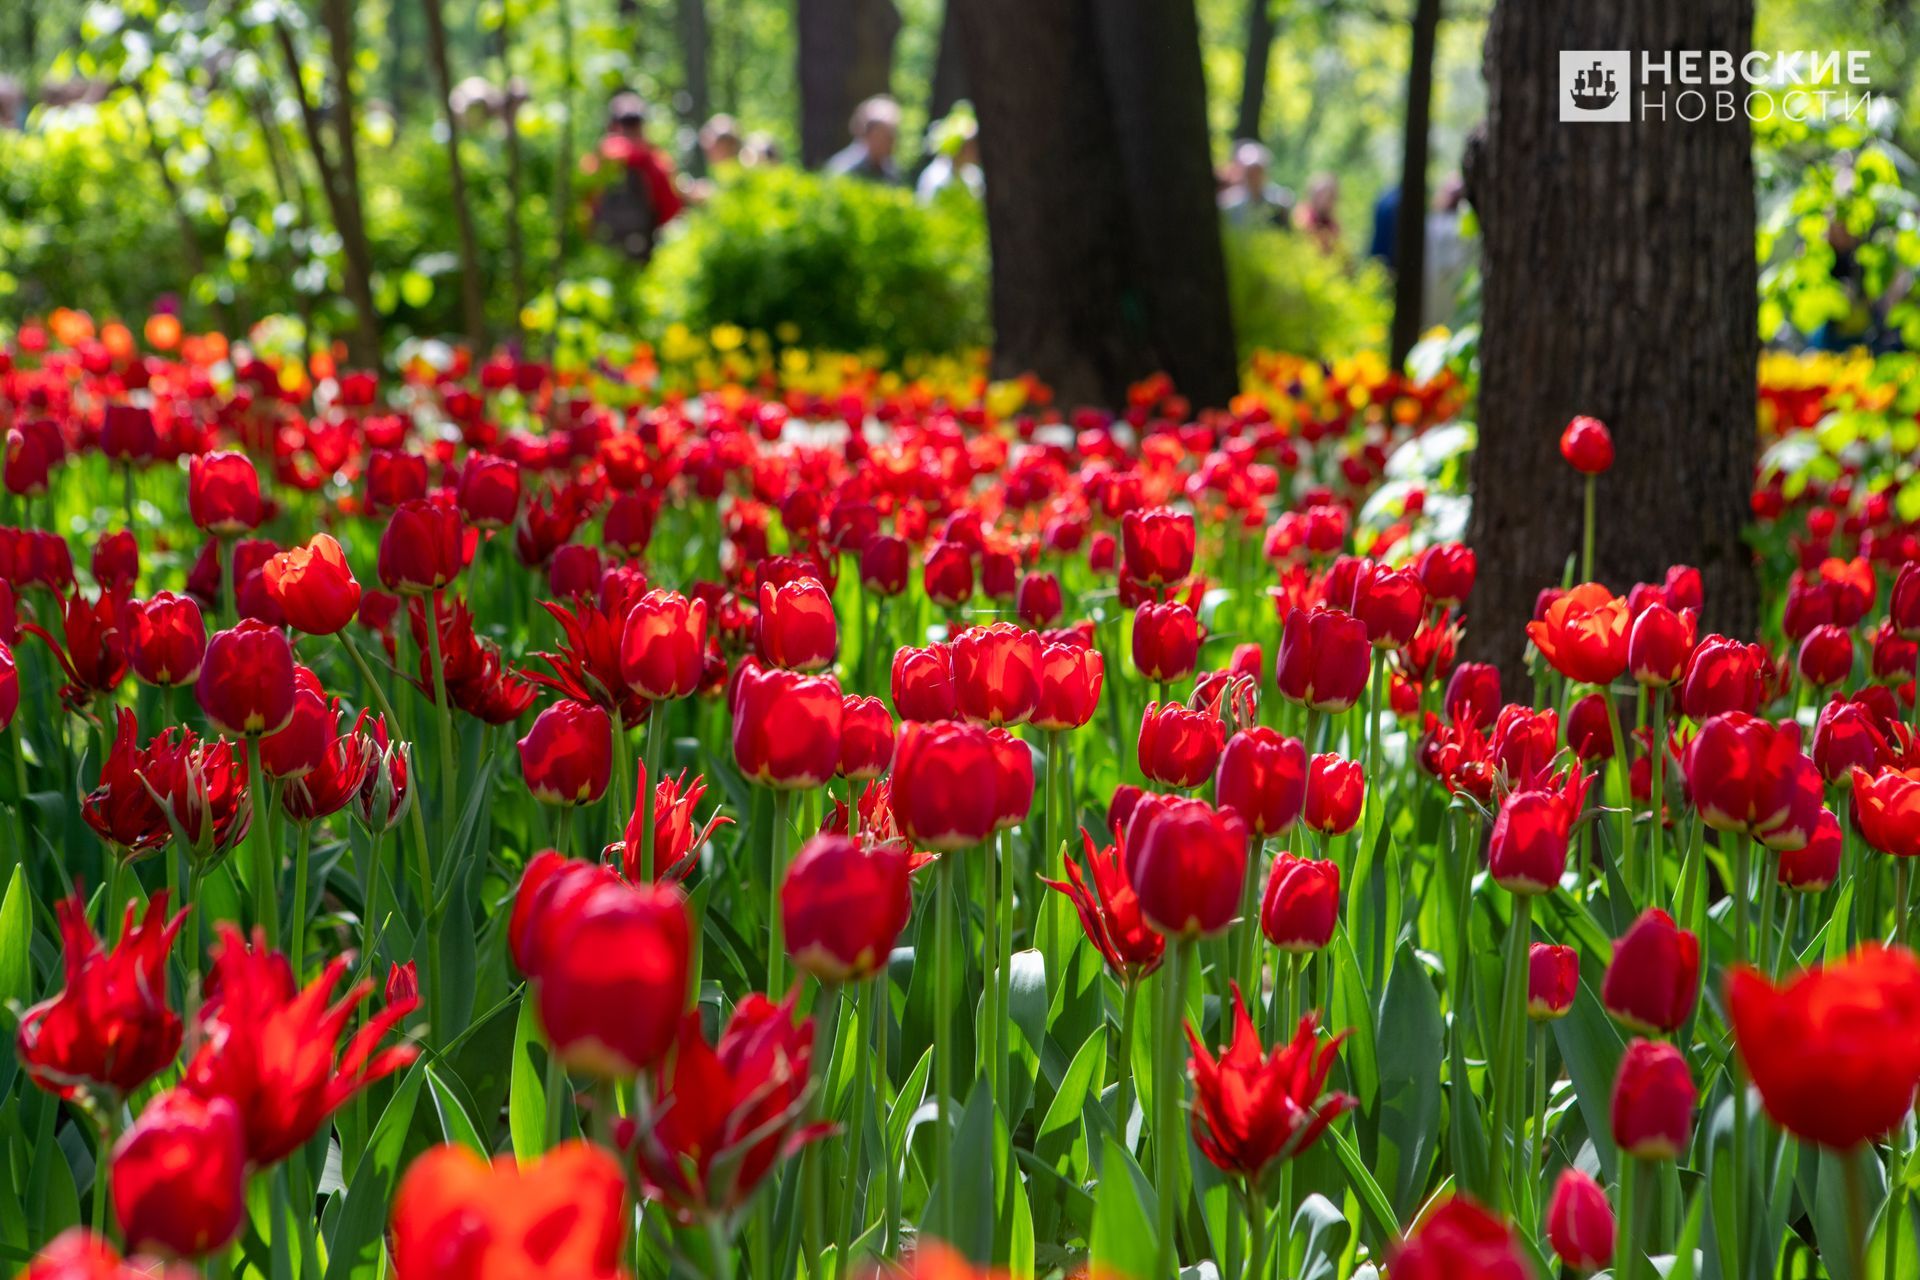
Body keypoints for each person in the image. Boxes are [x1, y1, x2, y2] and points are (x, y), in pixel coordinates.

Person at [584, 91, 685, 262]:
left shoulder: (596, 161)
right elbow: (671, 208)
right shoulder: (654, 161)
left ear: (612, 125)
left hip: (601, 250)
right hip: (643, 248)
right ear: (642, 125)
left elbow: (583, 206)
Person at [825, 95, 901, 184]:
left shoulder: (891, 171)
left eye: (893, 135)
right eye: (886, 136)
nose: (892, 142)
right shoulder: (844, 169)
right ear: (868, 134)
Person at [1218, 141, 1293, 229]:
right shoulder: (1228, 203)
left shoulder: (1280, 201)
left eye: (1258, 172)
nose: (1254, 177)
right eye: (1250, 173)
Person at [916, 105, 983, 204]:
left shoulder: (974, 176)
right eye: (970, 145)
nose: (976, 150)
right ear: (958, 147)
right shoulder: (935, 177)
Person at [1294, 173, 1343, 257]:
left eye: (1330, 196)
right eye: (1321, 195)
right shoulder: (1303, 215)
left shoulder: (1333, 224)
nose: (1324, 200)